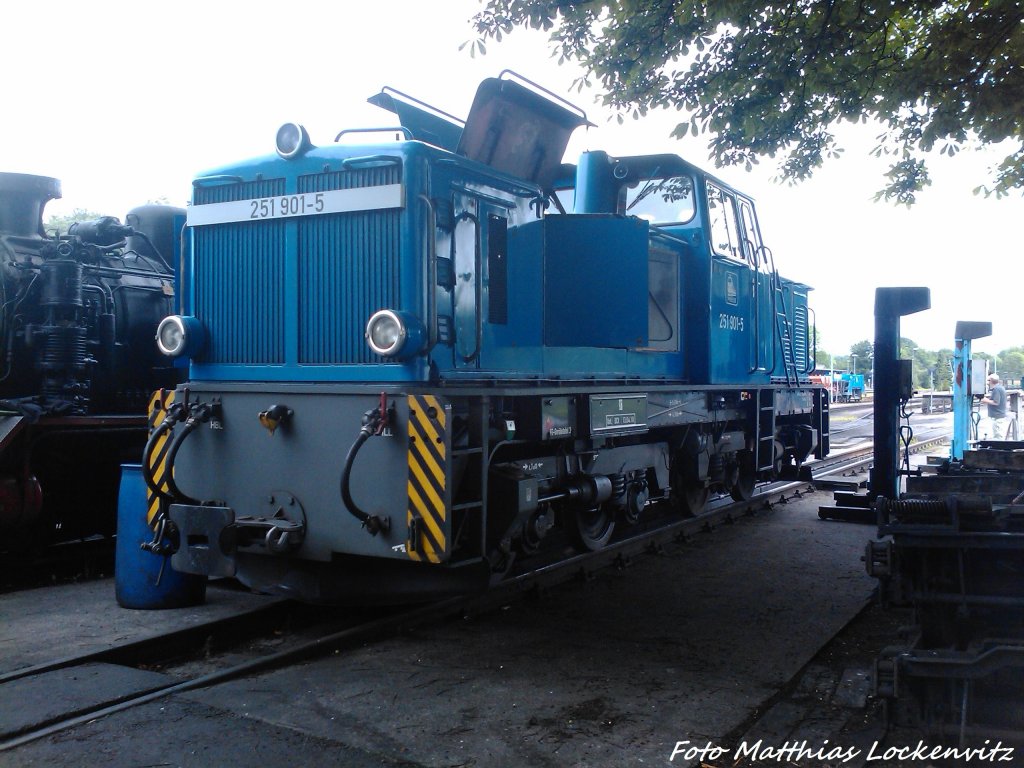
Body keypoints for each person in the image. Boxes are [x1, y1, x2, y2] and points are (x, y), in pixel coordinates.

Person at [980, 373, 1008, 440]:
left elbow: (996, 402)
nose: (987, 382)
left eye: (988, 380)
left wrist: (984, 400)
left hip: (997, 417)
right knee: (998, 435)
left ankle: (1000, 449)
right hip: (999, 416)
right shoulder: (1000, 388)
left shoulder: (996, 389)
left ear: (991, 381)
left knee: (998, 436)